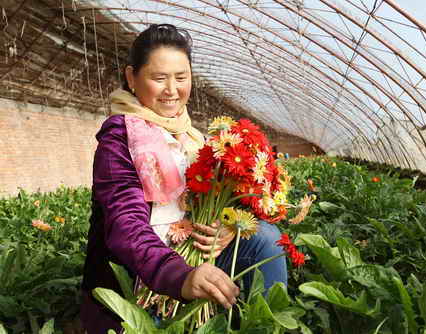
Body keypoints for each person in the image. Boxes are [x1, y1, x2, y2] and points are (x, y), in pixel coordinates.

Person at [80, 24, 287, 333]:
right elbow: (126, 227)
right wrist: (181, 276)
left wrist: (228, 226)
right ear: (131, 78)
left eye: (181, 77)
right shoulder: (120, 138)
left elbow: (213, 199)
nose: (172, 90)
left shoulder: (192, 136)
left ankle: (265, 326)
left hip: (188, 250)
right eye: (159, 78)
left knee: (265, 240)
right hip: (139, 271)